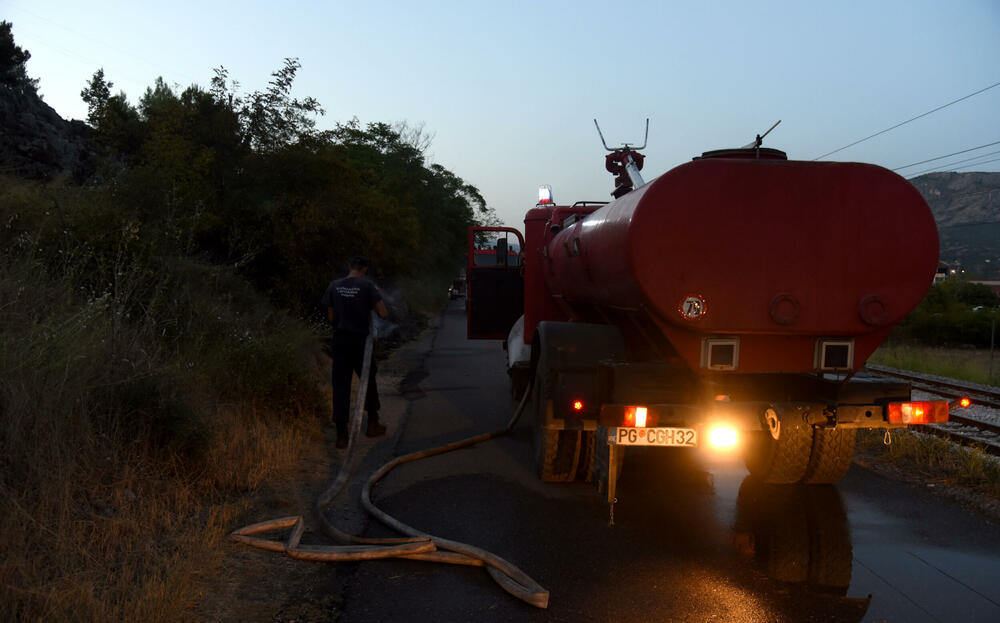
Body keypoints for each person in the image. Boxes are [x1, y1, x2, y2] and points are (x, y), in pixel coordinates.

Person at [322, 255, 389, 448]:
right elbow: (383, 314)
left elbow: (331, 317)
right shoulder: (368, 286)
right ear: (365, 269)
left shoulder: (334, 286)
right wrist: (373, 299)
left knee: (340, 386)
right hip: (361, 343)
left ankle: (341, 435)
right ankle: (373, 425)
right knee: (368, 381)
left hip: (340, 342)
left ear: (349, 267)